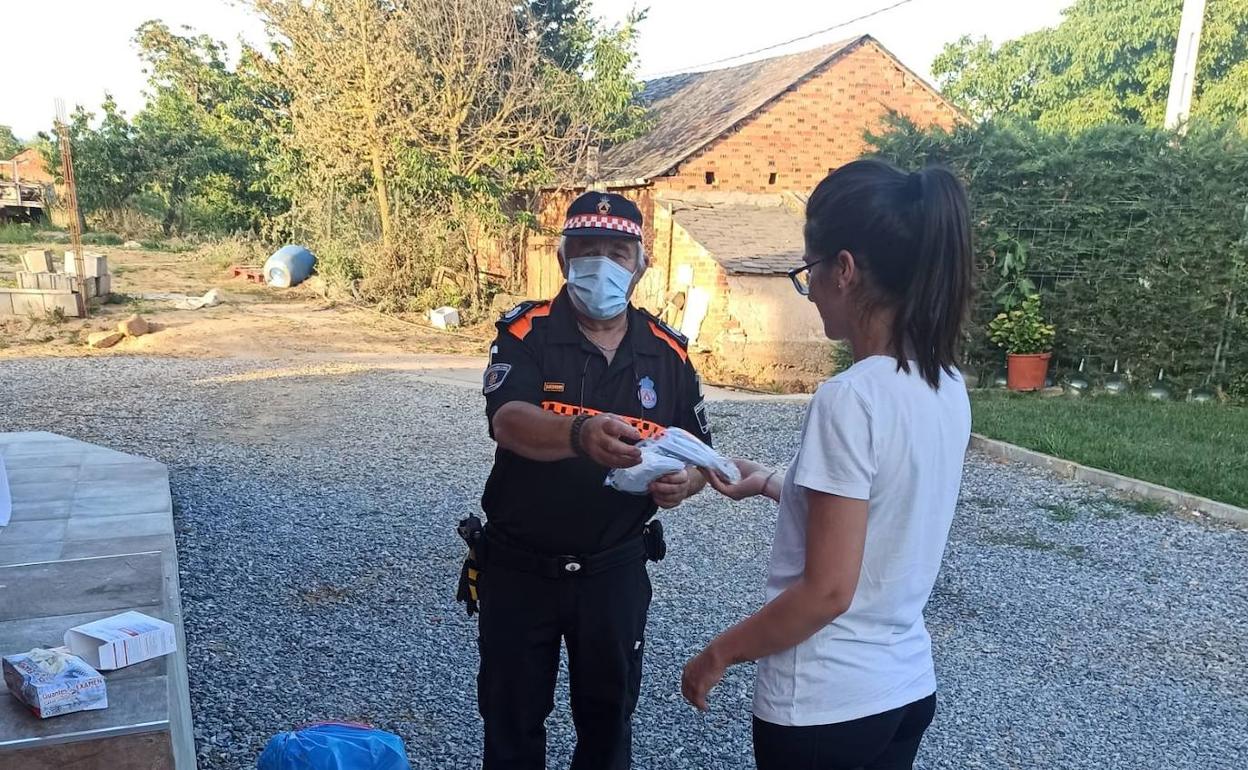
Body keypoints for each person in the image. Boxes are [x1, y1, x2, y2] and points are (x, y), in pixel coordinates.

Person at [680, 159, 974, 770]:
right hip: (904, 688)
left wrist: (720, 652)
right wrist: (765, 480)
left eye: (808, 270)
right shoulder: (944, 385)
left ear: (843, 270)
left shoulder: (849, 397)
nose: (808, 287)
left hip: (824, 705)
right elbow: (884, 501)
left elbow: (828, 592)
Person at [470, 191, 712, 770]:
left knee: (607, 725)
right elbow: (507, 422)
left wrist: (687, 482)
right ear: (562, 259)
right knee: (511, 722)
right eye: (587, 250)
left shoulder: (668, 353)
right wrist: (581, 436)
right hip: (519, 568)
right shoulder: (525, 332)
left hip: (613, 571)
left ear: (640, 264)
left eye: (618, 251)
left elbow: (702, 454)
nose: (602, 263)